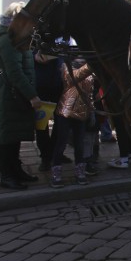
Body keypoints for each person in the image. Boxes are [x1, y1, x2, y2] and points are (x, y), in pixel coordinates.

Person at [0, 2, 41, 190]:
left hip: (14, 95)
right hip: (7, 95)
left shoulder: (17, 37)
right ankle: (7, 176)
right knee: (6, 137)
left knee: (13, 136)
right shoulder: (8, 40)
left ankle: (15, 171)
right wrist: (32, 95)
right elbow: (15, 72)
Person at [49, 58, 95, 188]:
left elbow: (89, 93)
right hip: (66, 111)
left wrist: (91, 112)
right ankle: (56, 173)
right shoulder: (66, 66)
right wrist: (91, 65)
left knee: (79, 144)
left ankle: (80, 172)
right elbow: (73, 78)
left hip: (81, 113)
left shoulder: (90, 70)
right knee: (61, 143)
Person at [33, 51, 63, 172]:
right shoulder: (34, 36)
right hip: (41, 85)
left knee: (61, 122)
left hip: (59, 85)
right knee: (41, 124)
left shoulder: (64, 37)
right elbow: (41, 57)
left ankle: (56, 152)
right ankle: (45, 157)